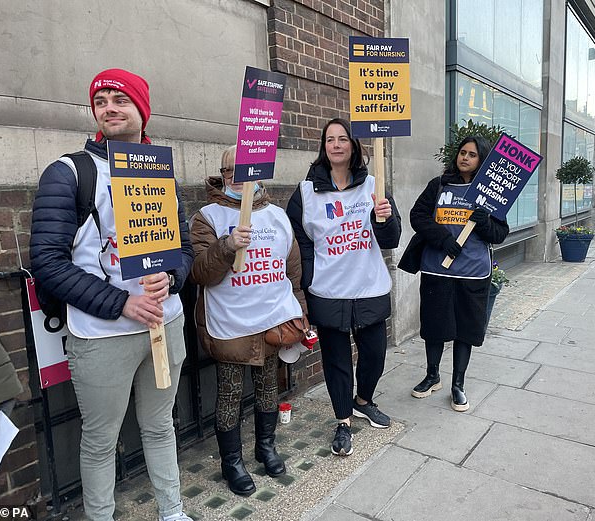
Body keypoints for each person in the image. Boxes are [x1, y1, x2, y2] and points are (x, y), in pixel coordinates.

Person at [30, 69, 194, 521]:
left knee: (161, 426)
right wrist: (121, 302)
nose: (109, 107)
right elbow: (47, 261)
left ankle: (172, 510)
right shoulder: (68, 172)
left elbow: (182, 248)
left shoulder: (159, 170)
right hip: (102, 335)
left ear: (143, 110)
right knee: (101, 441)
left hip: (165, 323)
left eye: (120, 98)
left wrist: (173, 278)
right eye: (101, 100)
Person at [190, 145, 308, 496]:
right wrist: (227, 246)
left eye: (247, 173)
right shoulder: (207, 217)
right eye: (231, 173)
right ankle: (232, 462)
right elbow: (199, 273)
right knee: (228, 395)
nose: (239, 180)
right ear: (222, 176)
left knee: (268, 388)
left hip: (272, 322)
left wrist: (300, 311)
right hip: (230, 325)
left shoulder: (277, 216)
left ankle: (266, 446)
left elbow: (293, 272)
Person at [286, 118, 401, 456]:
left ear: (353, 145)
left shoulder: (374, 187)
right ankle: (343, 421)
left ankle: (363, 400)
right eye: (329, 139)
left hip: (369, 287)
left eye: (342, 139)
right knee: (336, 361)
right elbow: (300, 243)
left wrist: (386, 217)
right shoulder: (306, 192)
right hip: (329, 291)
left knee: (374, 356)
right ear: (324, 147)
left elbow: (391, 239)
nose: (336, 145)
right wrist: (308, 282)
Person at [409, 136, 509, 412]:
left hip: (473, 274)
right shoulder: (439, 185)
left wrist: (485, 223)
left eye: (472, 154)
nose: (465, 157)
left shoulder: (490, 195)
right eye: (462, 152)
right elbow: (417, 215)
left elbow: (500, 233)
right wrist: (441, 238)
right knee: (434, 326)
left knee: (465, 330)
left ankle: (458, 384)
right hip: (436, 269)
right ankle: (432, 376)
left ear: (482, 160)